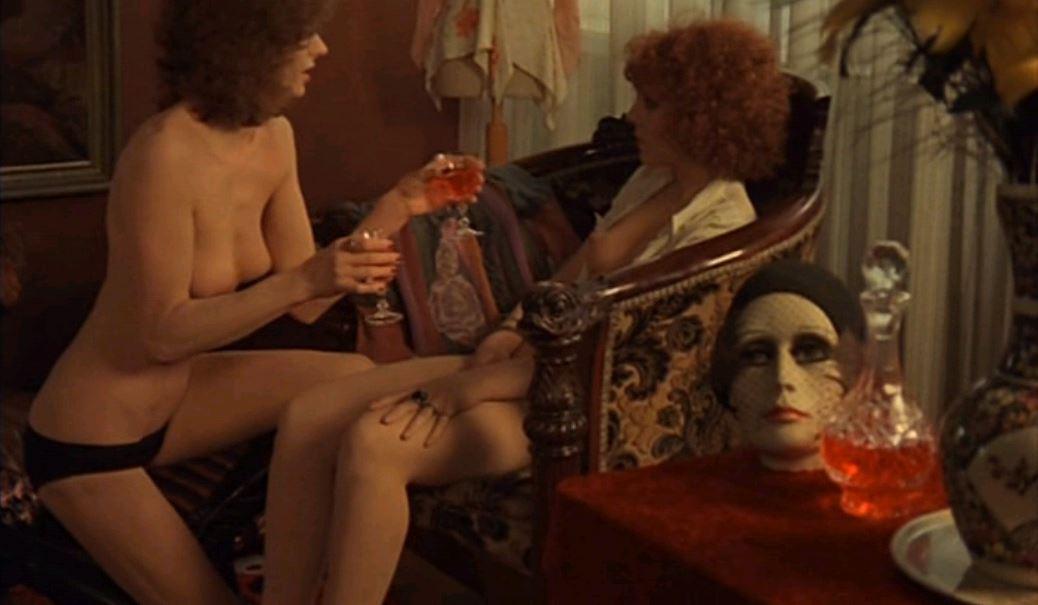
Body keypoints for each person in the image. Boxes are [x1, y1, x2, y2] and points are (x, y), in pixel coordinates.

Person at [261, 18, 790, 604]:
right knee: (309, 414)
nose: (632, 115)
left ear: (698, 120)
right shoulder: (652, 179)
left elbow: (617, 356)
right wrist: (511, 328)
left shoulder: (722, 228)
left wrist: (473, 386)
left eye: (651, 103)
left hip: (577, 404)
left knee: (375, 443)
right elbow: (574, 273)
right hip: (526, 366)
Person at [20, 1, 479, 603]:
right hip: (91, 437)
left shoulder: (274, 137)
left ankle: (295, 571)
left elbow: (306, 303)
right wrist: (305, 280)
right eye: (305, 36)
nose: (321, 50)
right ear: (250, 46)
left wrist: (398, 206)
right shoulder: (163, 153)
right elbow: (162, 334)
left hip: (175, 401)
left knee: (350, 379)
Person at [710, 260, 866, 472]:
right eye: (757, 356)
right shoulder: (679, 487)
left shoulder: (890, 487)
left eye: (811, 353)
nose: (782, 378)